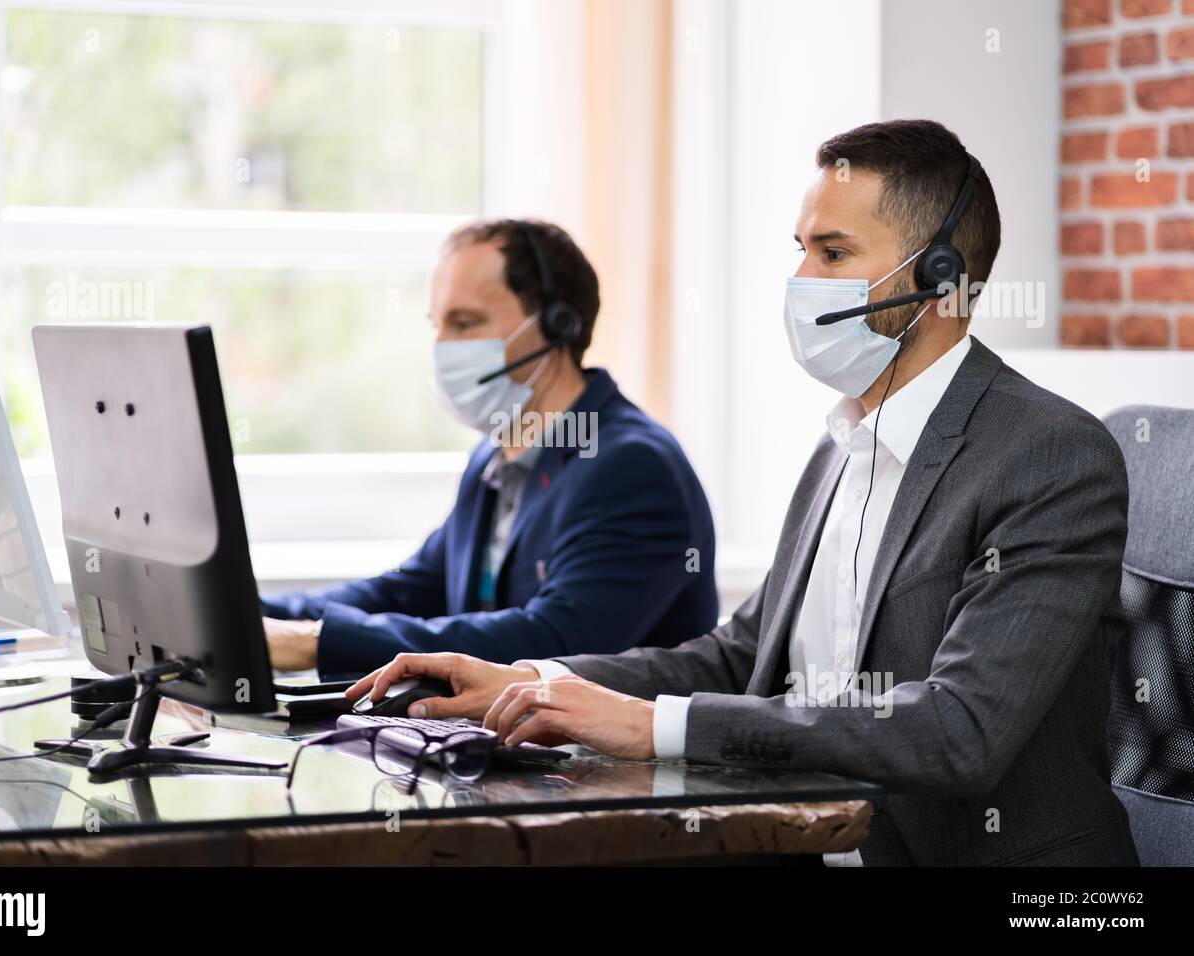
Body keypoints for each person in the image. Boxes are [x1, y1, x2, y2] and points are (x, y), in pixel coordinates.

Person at [346, 121, 1140, 867]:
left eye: (832, 253)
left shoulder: (1049, 457)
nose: (800, 281)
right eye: (800, 250)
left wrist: (652, 726)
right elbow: (737, 658)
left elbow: (959, 729)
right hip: (801, 844)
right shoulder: (844, 444)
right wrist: (534, 679)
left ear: (938, 280)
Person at [262, 218, 718, 679]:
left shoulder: (632, 467)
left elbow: (552, 640)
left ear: (557, 324)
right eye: (437, 325)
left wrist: (315, 644)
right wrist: (249, 614)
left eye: (465, 323)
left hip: (605, 752)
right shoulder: (494, 456)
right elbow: (409, 590)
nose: (441, 347)